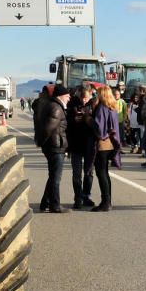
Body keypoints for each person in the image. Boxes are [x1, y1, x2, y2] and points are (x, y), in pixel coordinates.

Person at [36, 84, 70, 212]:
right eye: (67, 96)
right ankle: (55, 205)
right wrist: (42, 142)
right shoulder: (56, 108)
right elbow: (47, 129)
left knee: (52, 176)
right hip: (55, 146)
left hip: (53, 145)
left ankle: (45, 202)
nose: (69, 98)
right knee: (56, 177)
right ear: (61, 96)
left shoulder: (54, 106)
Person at [91, 85, 122, 211]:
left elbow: (99, 127)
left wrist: (88, 119)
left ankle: (105, 202)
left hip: (102, 143)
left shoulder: (101, 108)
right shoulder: (113, 107)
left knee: (101, 173)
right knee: (105, 173)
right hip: (111, 143)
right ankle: (108, 200)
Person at [66, 85, 96, 209]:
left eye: (86, 98)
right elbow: (66, 122)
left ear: (90, 95)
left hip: (89, 143)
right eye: (82, 98)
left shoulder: (94, 105)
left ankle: (86, 195)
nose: (84, 100)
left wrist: (88, 118)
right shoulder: (72, 104)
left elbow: (97, 123)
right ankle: (77, 197)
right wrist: (74, 119)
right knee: (76, 173)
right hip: (75, 143)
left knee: (89, 172)